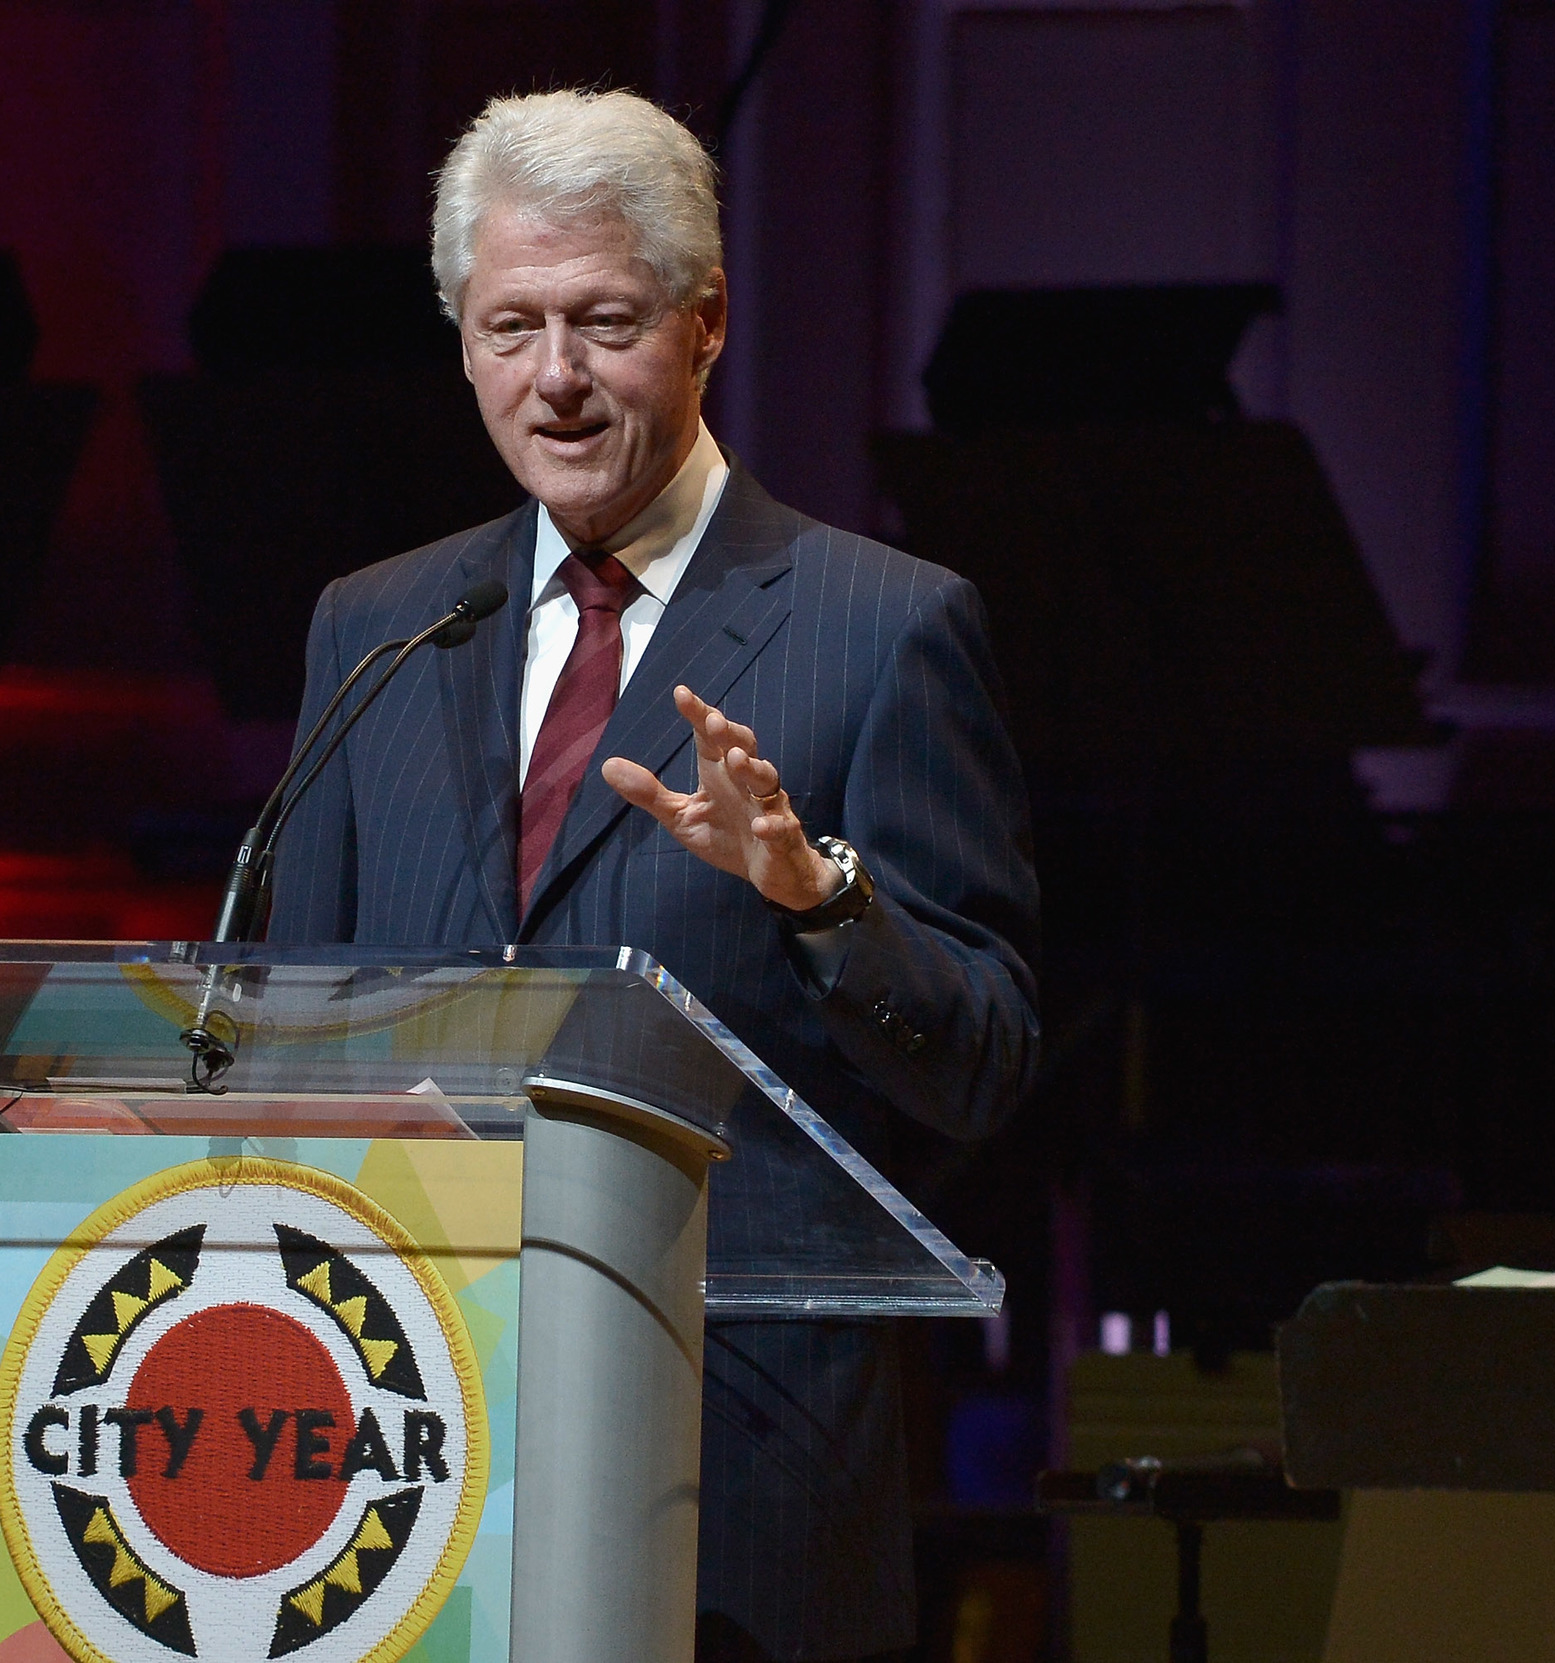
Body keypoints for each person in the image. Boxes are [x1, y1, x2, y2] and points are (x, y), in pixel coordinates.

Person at [265, 88, 1040, 1663]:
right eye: (509, 326)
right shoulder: (379, 627)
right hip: (404, 1456)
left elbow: (988, 1061)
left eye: (603, 323)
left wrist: (822, 899)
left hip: (734, 1477)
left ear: (706, 325)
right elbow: (292, 1040)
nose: (551, 380)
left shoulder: (880, 627)